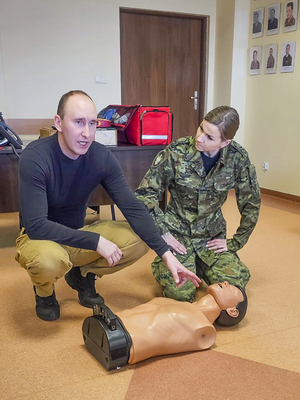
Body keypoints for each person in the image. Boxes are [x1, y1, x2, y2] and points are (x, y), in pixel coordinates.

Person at [16, 90, 200, 321]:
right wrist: (96, 241)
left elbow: (132, 207)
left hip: (77, 232)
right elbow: (36, 226)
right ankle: (44, 292)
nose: (87, 133)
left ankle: (81, 275)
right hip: (39, 239)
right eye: (78, 122)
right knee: (49, 261)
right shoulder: (35, 157)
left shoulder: (100, 156)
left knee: (140, 239)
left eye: (92, 123)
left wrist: (166, 254)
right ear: (58, 123)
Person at [135, 106, 261, 303]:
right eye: (201, 128)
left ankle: (200, 265)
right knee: (180, 295)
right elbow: (145, 193)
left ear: (225, 142)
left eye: (210, 137)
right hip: (177, 235)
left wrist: (234, 242)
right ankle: (165, 263)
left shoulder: (237, 158)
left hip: (211, 237)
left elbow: (251, 203)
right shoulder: (177, 152)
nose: (199, 138)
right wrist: (163, 232)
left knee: (233, 288)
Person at [83, 281, 247, 368]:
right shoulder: (182, 304)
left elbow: (160, 344)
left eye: (231, 289)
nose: (225, 283)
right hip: (110, 322)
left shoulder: (205, 332)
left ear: (233, 311)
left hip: (118, 342)